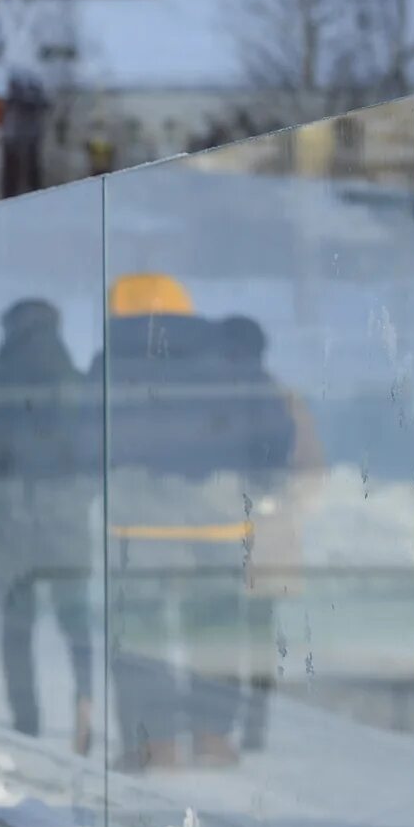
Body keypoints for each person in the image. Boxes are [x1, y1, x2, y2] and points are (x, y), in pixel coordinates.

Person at [96, 275, 293, 772]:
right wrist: (260, 486)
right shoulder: (229, 359)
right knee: (216, 630)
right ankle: (211, 737)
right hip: (219, 524)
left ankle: (156, 744)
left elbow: (81, 437)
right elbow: (273, 426)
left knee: (139, 636)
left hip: (137, 527)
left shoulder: (110, 365)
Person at [0, 298, 99, 753]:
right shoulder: (80, 389)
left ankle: (26, 721)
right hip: (68, 533)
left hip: (13, 534)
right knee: (77, 628)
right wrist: (69, 502)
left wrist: (9, 504)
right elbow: (98, 463)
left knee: (17, 632)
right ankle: (85, 711)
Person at [221, 315, 325, 752]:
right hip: (268, 537)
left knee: (225, 632)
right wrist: (284, 508)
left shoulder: (215, 398)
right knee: (255, 633)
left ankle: (228, 723)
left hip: (228, 535)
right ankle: (250, 725)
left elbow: (311, 472)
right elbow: (313, 472)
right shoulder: (284, 398)